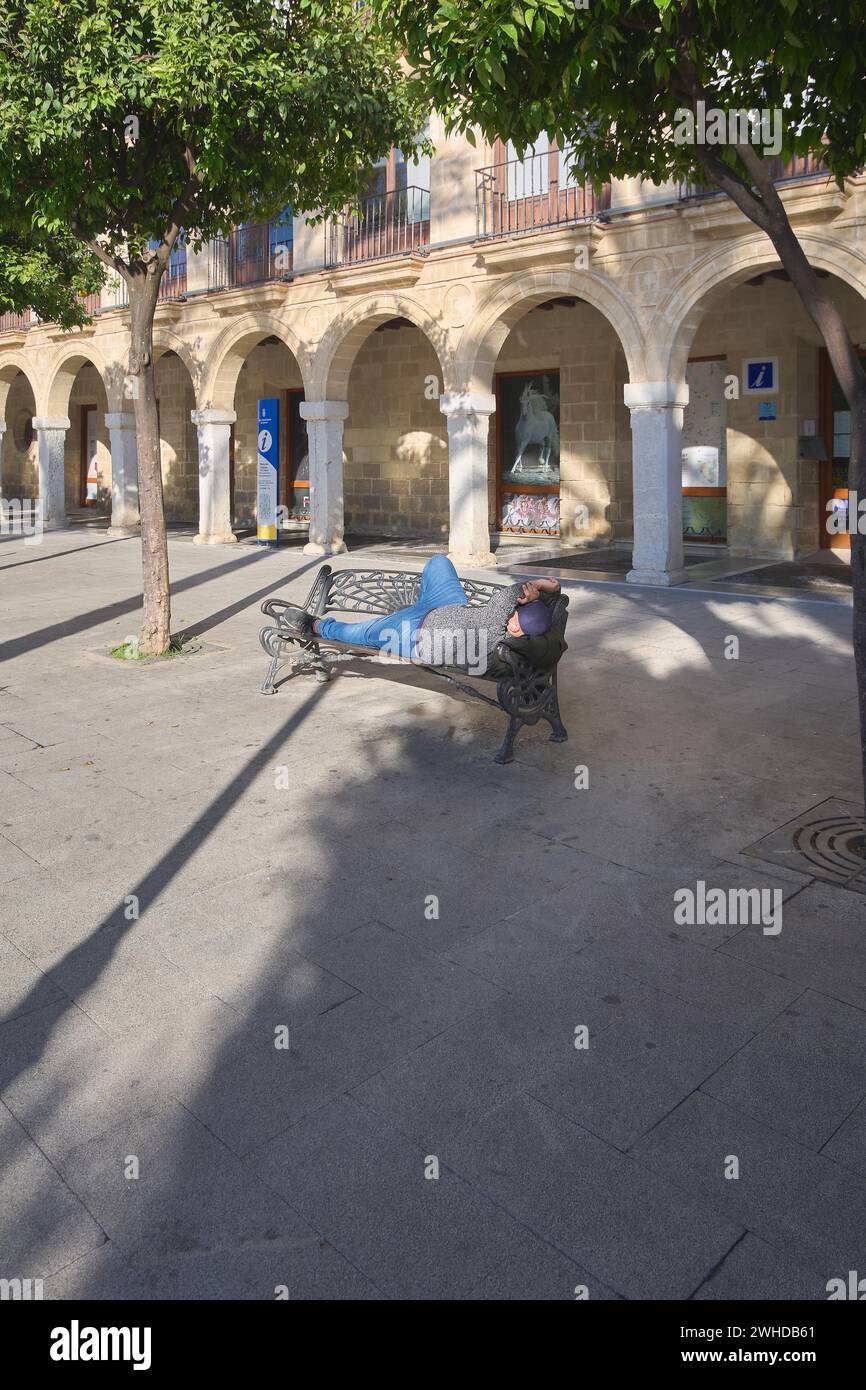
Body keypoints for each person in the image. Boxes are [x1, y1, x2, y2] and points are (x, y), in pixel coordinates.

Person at [281, 553, 561, 676]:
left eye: (517, 614)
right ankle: (414, 605)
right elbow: (522, 608)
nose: (514, 613)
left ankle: (316, 626)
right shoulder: (511, 626)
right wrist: (549, 596)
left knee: (363, 633)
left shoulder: (496, 623)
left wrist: (541, 586)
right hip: (446, 607)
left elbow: (510, 593)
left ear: (514, 630)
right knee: (440, 562)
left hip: (415, 635)